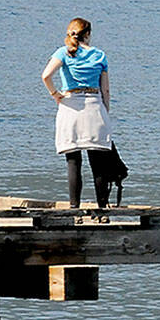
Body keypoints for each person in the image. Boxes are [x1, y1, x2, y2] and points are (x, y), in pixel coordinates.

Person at [41, 19, 114, 210]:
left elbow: (45, 76)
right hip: (93, 105)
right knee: (98, 164)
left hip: (70, 107)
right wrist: (105, 111)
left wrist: (55, 94)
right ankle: (102, 208)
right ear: (88, 34)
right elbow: (105, 90)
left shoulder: (62, 52)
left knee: (73, 162)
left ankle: (74, 208)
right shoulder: (99, 55)